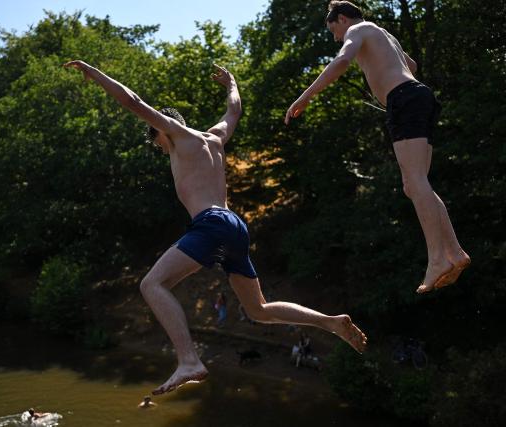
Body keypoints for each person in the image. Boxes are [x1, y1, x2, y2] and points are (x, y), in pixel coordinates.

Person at [63, 59, 367, 396]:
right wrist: (231, 82)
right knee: (259, 310)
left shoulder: (176, 134)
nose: (161, 149)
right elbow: (234, 110)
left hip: (210, 223)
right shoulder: (215, 137)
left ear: (162, 130)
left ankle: (189, 360)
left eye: (157, 143)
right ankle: (330, 322)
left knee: (151, 285)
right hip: (234, 225)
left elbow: (132, 101)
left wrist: (93, 72)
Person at [284, 1, 470, 293]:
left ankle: (437, 258)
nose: (336, 38)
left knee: (415, 181)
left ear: (342, 19)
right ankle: (455, 252)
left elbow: (343, 60)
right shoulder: (382, 33)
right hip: (418, 97)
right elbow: (412, 66)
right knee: (416, 184)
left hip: (404, 100)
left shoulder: (357, 29)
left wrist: (305, 96)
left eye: (334, 31)